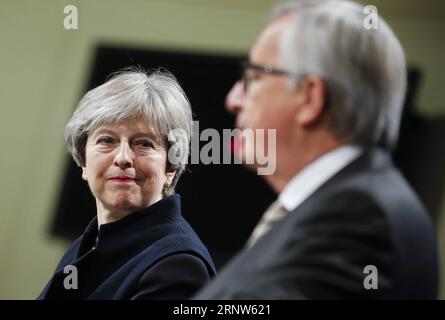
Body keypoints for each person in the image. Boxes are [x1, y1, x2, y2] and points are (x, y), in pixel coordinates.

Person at [195, 0, 438, 299]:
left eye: (254, 78)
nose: (233, 99)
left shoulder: (357, 218)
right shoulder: (350, 203)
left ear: (310, 98)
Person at [38, 68, 215, 299]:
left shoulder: (178, 266)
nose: (123, 158)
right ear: (83, 161)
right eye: (106, 140)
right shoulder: (88, 243)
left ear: (170, 167)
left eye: (144, 143)